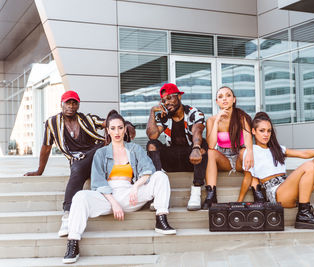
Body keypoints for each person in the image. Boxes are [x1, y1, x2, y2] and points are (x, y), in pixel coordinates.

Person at [63, 110, 175, 264]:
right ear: (108, 131)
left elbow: (148, 169)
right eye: (113, 128)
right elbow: (97, 182)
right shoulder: (101, 153)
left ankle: (161, 219)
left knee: (161, 176)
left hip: (130, 194)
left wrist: (135, 187)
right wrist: (113, 203)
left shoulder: (134, 149)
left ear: (125, 129)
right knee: (80, 196)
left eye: (120, 128)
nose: (117, 132)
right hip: (107, 197)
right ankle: (73, 243)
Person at [24, 90, 135, 237]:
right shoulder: (52, 123)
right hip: (79, 161)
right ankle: (67, 215)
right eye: (67, 103)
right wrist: (39, 170)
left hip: (98, 154)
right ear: (61, 104)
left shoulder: (87, 119)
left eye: (74, 103)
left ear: (78, 105)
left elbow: (109, 123)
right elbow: (46, 147)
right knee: (76, 167)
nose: (71, 106)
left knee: (106, 146)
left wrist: (127, 124)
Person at [146, 83, 207, 211]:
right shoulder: (164, 116)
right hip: (171, 160)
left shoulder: (194, 113)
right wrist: (152, 112)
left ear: (179, 96)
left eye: (169, 98)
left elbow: (197, 132)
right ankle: (159, 190)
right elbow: (153, 135)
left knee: (202, 144)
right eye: (163, 100)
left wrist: (196, 148)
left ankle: (196, 191)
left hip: (191, 159)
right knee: (152, 144)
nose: (167, 103)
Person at [202, 86, 254, 209]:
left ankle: (256, 189)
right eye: (220, 97)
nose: (224, 99)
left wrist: (250, 151)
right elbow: (210, 144)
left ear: (234, 99)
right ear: (216, 102)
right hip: (223, 158)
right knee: (210, 152)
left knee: (246, 151)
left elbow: (247, 138)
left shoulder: (242, 117)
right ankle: (211, 194)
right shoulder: (211, 120)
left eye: (228, 95)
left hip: (239, 157)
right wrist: (217, 121)